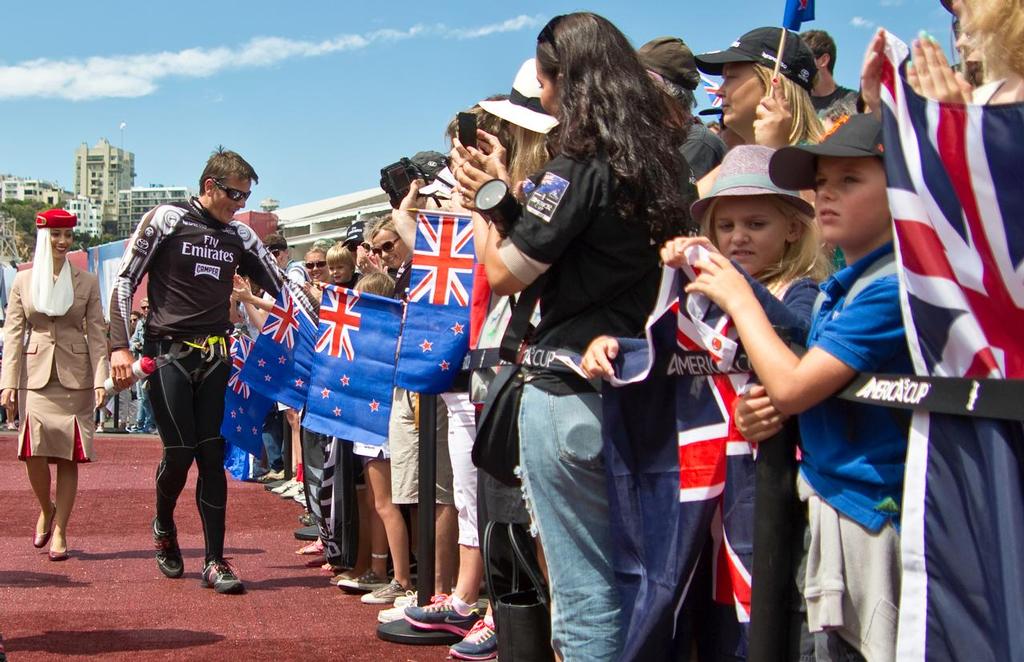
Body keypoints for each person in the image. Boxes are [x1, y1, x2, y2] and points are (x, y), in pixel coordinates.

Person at [453, 12, 693, 659]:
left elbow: (505, 272)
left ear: (568, 80)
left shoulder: (577, 165)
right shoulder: (663, 163)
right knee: (640, 581)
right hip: (642, 392)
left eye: (545, 78)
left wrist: (481, 202)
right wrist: (505, 197)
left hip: (567, 395)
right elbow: (573, 252)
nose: (543, 94)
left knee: (585, 594)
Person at [682, 114, 909, 660]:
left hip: (873, 513)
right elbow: (796, 395)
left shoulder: (888, 289)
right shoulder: (841, 289)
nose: (828, 195)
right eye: (824, 183)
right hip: (832, 506)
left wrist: (739, 296)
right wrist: (773, 414)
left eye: (849, 182)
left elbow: (789, 385)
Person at [109, 148, 299, 594]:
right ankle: (164, 525)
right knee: (179, 454)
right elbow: (124, 279)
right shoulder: (166, 219)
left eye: (248, 196)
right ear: (210, 185)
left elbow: (285, 289)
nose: (241, 204)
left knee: (212, 456)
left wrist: (325, 318)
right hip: (168, 355)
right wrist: (118, 346)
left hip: (216, 358)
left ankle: (214, 560)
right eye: (235, 194)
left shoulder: (242, 237)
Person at [1, 209, 108, 562]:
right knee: (32, 452)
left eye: (67, 235)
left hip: (76, 378)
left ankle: (61, 527)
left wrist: (100, 380)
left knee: (68, 456)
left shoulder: (88, 282)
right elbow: (14, 334)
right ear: (43, 237)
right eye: (55, 235)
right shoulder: (23, 282)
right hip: (35, 377)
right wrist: (8, 383)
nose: (62, 242)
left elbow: (96, 334)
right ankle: (45, 508)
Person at [695, 27, 823, 154]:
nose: (719, 91)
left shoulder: (815, 165)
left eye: (730, 77)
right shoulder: (737, 164)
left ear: (773, 84)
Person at [638, 36, 727, 179]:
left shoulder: (699, 144)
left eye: (643, 83)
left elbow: (671, 198)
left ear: (668, 94)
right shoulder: (663, 137)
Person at [800, 30, 860, 115]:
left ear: (823, 60)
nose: (797, 66)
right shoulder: (797, 106)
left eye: (803, 60)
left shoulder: (855, 103)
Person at [129, 298, 156, 434]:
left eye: (147, 307)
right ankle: (142, 423)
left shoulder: (159, 320)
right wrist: (136, 345)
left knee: (155, 396)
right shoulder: (140, 324)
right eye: (143, 308)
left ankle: (152, 424)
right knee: (142, 396)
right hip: (142, 364)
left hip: (157, 365)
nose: (145, 310)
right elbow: (132, 341)